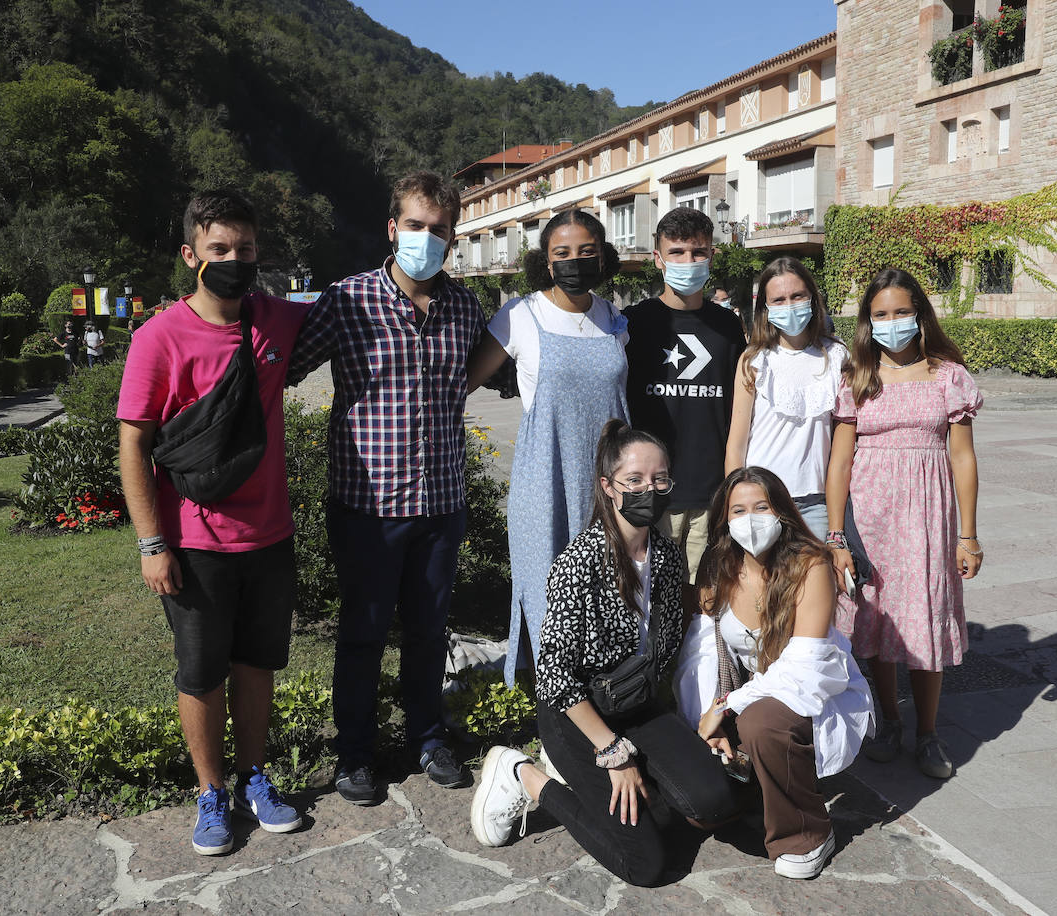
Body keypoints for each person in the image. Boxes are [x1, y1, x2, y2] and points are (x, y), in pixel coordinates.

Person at [117, 188, 311, 855]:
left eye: (246, 248)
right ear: (189, 254)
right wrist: (152, 544)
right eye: (220, 249)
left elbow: (348, 313)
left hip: (270, 535)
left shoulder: (275, 320)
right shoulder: (158, 338)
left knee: (258, 664)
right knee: (201, 673)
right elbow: (133, 445)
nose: (235, 260)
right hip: (195, 542)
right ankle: (210, 793)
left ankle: (256, 777)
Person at [286, 171, 485, 805]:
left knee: (431, 631)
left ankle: (426, 737)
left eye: (440, 230)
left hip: (442, 502)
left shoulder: (463, 307)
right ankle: (355, 753)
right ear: (393, 228)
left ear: (452, 239)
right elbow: (283, 366)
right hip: (368, 505)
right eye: (416, 226)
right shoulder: (348, 300)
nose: (427, 239)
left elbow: (491, 369)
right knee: (364, 632)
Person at [469, 420, 738, 886]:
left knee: (715, 804)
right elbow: (554, 674)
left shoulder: (668, 558)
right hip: (580, 713)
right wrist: (615, 755)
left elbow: (675, 640)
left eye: (659, 480)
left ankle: (638, 790)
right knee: (647, 865)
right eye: (634, 480)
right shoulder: (580, 563)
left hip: (639, 705)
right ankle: (527, 776)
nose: (648, 490)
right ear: (608, 487)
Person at [678, 466, 874, 879]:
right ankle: (760, 785)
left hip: (810, 688)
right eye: (738, 510)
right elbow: (702, 653)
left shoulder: (811, 565)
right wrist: (706, 717)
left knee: (762, 723)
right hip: (745, 693)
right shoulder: (720, 567)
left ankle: (809, 835)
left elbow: (804, 665)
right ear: (724, 520)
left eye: (761, 507)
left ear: (781, 511)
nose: (750, 520)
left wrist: (729, 706)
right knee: (703, 807)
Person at [826, 268, 984, 780]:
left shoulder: (948, 376)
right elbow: (840, 463)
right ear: (867, 322)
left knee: (924, 615)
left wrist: (969, 535)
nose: (891, 323)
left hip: (928, 516)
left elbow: (962, 458)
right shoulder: (858, 377)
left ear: (919, 315)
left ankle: (929, 733)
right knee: (876, 618)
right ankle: (889, 719)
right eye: (880, 315)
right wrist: (835, 533)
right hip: (871, 515)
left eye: (900, 312)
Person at [466, 209, 629, 686]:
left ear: (603, 255)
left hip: (611, 480)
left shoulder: (616, 320)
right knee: (547, 586)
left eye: (586, 252)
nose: (575, 261)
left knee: (606, 586)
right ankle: (554, 703)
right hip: (546, 477)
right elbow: (461, 382)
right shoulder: (520, 315)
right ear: (546, 261)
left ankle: (606, 689)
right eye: (562, 253)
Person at [623, 207, 746, 608]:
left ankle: (695, 674)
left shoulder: (728, 327)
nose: (687, 262)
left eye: (698, 253)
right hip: (650, 491)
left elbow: (740, 409)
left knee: (703, 604)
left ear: (712, 256)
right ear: (657, 259)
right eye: (676, 252)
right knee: (645, 601)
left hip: (710, 492)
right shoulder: (633, 324)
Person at [724, 257, 846, 540]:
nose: (789, 305)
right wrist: (735, 504)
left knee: (818, 582)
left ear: (812, 299)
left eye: (797, 296)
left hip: (817, 504)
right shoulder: (754, 360)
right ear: (765, 308)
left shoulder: (838, 356)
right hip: (761, 500)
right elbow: (737, 443)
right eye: (778, 300)